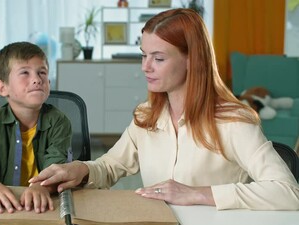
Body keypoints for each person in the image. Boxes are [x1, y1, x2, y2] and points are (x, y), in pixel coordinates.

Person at [29, 9, 299, 210]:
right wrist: (81, 170)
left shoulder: (234, 120)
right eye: (143, 55)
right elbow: (110, 166)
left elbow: (288, 192)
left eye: (158, 58)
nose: (145, 67)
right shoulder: (146, 115)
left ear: (193, 60)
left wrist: (197, 194)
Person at [0, 42, 72, 214]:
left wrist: (40, 187)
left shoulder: (59, 122)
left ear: (48, 83)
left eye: (42, 72)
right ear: (3, 88)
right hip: (6, 205)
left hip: (46, 203)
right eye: (25, 73)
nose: (37, 79)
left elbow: (57, 171)